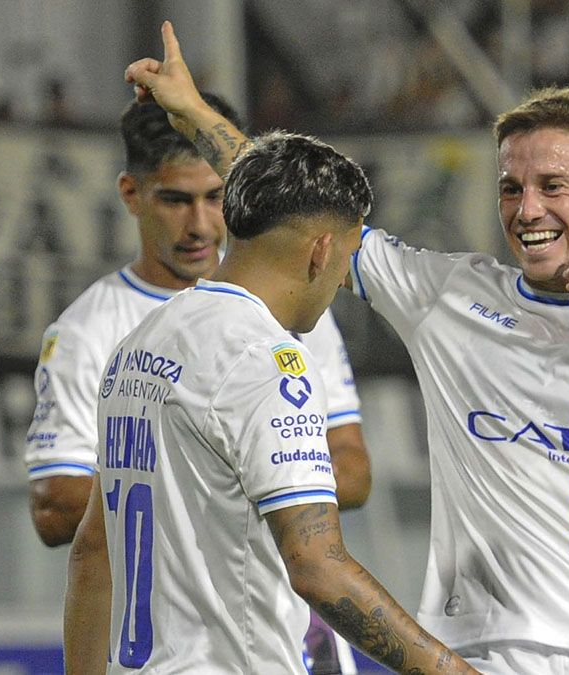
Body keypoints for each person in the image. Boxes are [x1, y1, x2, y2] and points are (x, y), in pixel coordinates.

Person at [145, 21, 569, 675]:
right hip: (471, 659)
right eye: (512, 187)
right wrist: (196, 114)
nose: (527, 208)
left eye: (552, 185)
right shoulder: (449, 295)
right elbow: (300, 210)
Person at [63, 79, 477, 674]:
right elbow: (317, 566)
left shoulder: (141, 342)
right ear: (319, 251)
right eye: (344, 261)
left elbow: (90, 551)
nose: (341, 283)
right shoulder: (264, 360)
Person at [25, 92, 371, 550]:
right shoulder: (86, 330)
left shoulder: (296, 304)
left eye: (215, 198)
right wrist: (229, 483)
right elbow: (54, 508)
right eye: (176, 200)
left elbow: (353, 472)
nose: (202, 225)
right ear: (131, 193)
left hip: (287, 615)